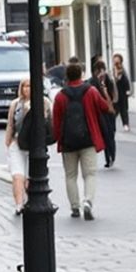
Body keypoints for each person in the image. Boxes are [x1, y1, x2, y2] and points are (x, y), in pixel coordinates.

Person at [50, 61, 116, 221]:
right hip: (88, 140)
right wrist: (106, 94)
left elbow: (56, 121)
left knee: (70, 175)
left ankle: (74, 207)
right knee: (90, 174)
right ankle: (87, 201)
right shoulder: (91, 91)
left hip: (68, 143)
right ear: (81, 75)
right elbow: (106, 108)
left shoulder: (60, 96)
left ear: (67, 76)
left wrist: (59, 139)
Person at [3, 79, 38, 214]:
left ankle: (30, 201)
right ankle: (19, 204)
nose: (26, 89)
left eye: (29, 86)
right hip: (17, 142)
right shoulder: (15, 104)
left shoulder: (43, 102)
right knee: (18, 176)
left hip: (34, 145)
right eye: (24, 86)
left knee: (30, 177)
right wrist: (8, 141)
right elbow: (10, 123)